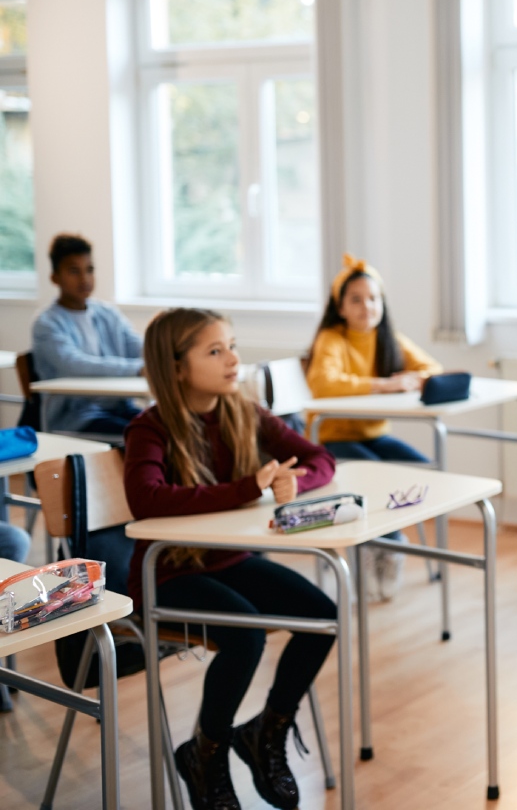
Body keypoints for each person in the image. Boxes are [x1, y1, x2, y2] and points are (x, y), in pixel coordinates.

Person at [124, 308, 336, 810]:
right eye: (214, 351)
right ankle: (208, 752)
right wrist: (246, 489)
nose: (233, 359)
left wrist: (295, 482)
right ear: (176, 367)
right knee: (245, 635)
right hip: (168, 572)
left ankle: (266, 731)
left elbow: (320, 459)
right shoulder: (149, 428)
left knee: (323, 616)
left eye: (232, 346)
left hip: (227, 561)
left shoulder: (243, 411)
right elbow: (146, 500)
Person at [306, 254, 441, 599]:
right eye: (356, 299)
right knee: (378, 476)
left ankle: (386, 542)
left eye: (373, 298)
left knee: (422, 469)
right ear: (340, 307)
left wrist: (414, 377)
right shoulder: (332, 339)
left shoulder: (388, 337)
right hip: (331, 438)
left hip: (374, 435)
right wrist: (385, 384)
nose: (366, 306)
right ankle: (385, 543)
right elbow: (324, 383)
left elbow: (434, 369)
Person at [31, 234, 145, 435]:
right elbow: (75, 364)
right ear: (55, 277)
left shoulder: (107, 313)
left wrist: (167, 357)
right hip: (76, 416)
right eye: (74, 271)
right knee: (141, 436)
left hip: (118, 407)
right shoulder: (46, 324)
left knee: (166, 428)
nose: (84, 279)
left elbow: (136, 345)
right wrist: (138, 369)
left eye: (89, 270)